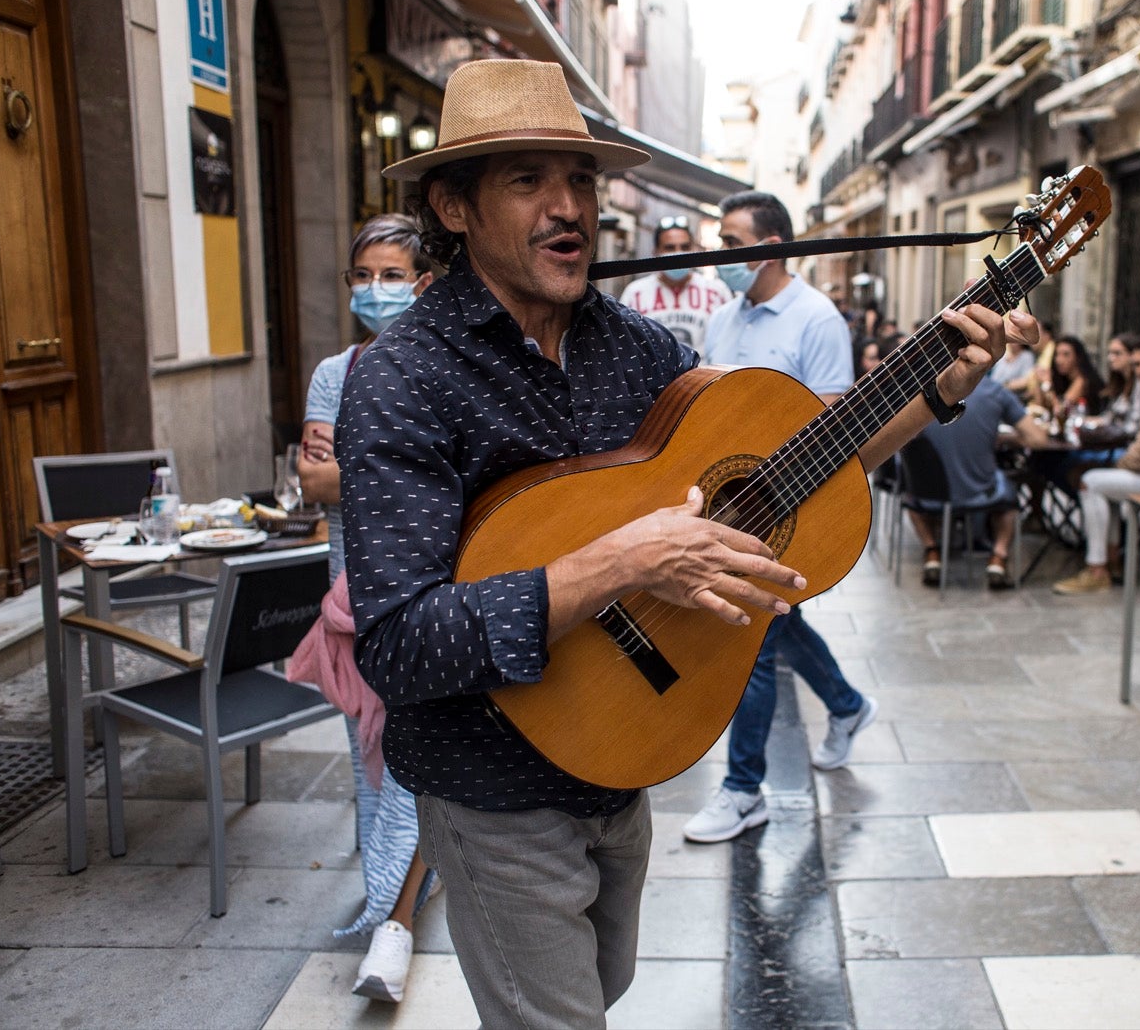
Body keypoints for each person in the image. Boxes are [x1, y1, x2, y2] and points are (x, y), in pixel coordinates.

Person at [338, 60, 1032, 1028]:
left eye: (578, 178)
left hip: (625, 744)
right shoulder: (404, 378)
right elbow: (401, 642)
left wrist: (934, 386)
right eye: (529, 179)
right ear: (453, 205)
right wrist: (627, 558)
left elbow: (797, 461)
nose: (566, 204)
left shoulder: (640, 349)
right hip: (488, 776)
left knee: (603, 983)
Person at [687, 190, 907, 845]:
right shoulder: (723, 319)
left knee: (749, 640)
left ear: (772, 247)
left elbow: (836, 422)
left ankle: (743, 788)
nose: (720, 255)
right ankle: (847, 705)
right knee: (780, 624)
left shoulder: (817, 318)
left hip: (790, 510)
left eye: (731, 243)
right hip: (730, 505)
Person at [294, 213, 437, 1003]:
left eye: (390, 275)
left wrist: (368, 473)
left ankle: (393, 921)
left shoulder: (443, 365)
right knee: (366, 748)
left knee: (414, 744)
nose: (373, 290)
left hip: (428, 581)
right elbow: (317, 484)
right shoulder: (333, 373)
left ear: (423, 283)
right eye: (361, 275)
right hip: (353, 587)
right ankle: (396, 889)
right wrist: (408, 476)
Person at [1053, 335, 1140, 595]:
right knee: (1100, 482)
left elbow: (1139, 457)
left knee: (1091, 481)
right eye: (1138, 364)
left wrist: (1113, 464)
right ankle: (1113, 560)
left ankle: (1097, 570)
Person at [905, 379, 1048, 589]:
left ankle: (932, 550)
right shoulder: (995, 392)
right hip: (981, 491)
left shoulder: (916, 390)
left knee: (910, 492)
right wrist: (1004, 438)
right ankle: (998, 557)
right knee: (1009, 496)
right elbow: (1038, 439)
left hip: (929, 495)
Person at [617, 215, 732, 348]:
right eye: (670, 248)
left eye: (685, 247)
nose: (678, 253)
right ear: (656, 252)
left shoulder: (717, 291)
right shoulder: (635, 293)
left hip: (708, 369)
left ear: (693, 249)